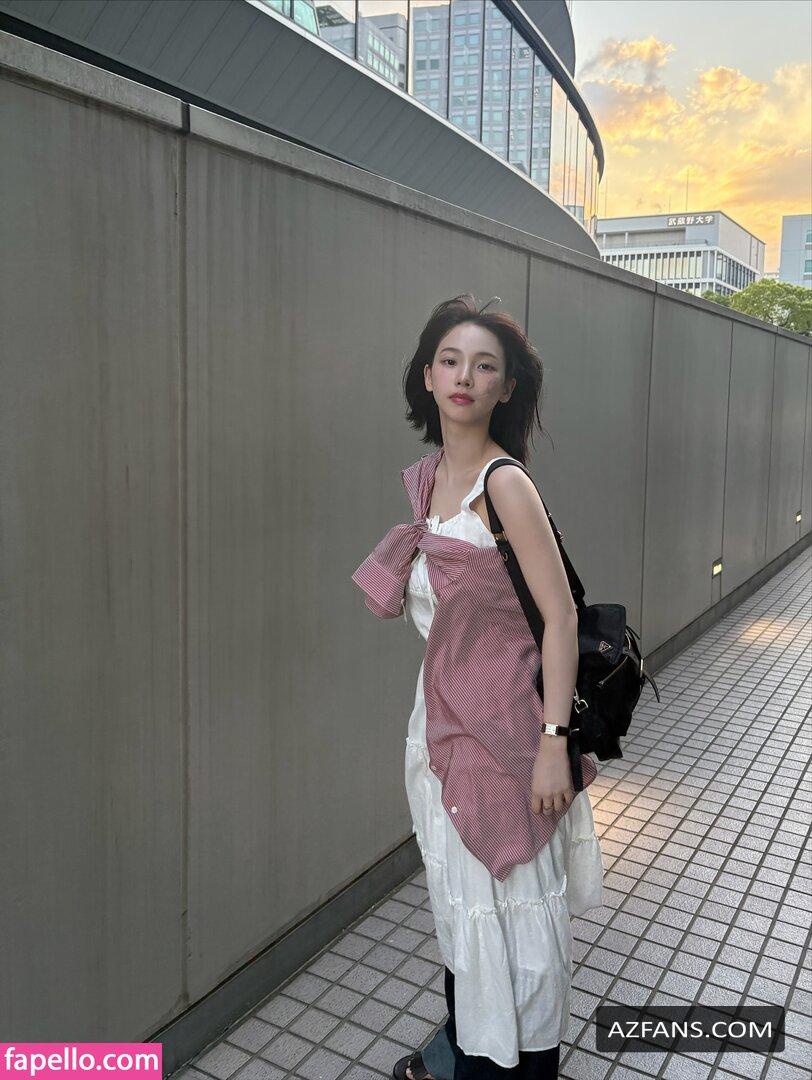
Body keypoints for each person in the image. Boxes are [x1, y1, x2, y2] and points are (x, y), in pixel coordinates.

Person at [352, 294, 605, 1080]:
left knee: (518, 931)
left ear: (506, 387)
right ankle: (464, 1054)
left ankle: (513, 1068)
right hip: (440, 736)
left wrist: (554, 746)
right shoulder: (430, 482)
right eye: (451, 361)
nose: (465, 376)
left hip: (510, 744)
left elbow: (560, 618)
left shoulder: (504, 484)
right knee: (466, 920)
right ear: (427, 376)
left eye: (485, 366)